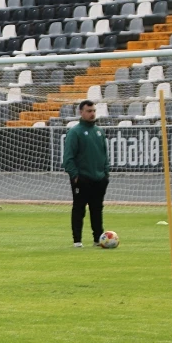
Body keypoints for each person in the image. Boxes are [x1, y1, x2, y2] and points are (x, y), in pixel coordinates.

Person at [62, 99, 109, 248]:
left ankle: (98, 239)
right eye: (89, 111)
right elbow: (68, 157)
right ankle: (77, 240)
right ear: (81, 112)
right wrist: (75, 176)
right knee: (79, 209)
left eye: (94, 111)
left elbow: (104, 155)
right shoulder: (75, 132)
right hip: (82, 179)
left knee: (97, 210)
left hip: (99, 178)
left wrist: (105, 174)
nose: (92, 114)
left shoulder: (99, 132)